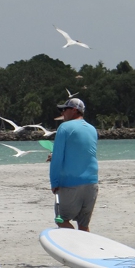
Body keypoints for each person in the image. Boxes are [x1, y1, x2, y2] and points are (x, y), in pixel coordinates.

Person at [49, 98, 98, 231]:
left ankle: (75, 247)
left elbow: (58, 158)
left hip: (71, 183)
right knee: (83, 225)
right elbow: (82, 153)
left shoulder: (64, 127)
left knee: (61, 220)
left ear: (74, 110)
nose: (62, 112)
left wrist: (54, 182)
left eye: (64, 109)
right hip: (91, 183)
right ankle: (87, 250)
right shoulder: (92, 129)